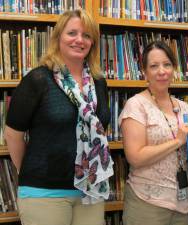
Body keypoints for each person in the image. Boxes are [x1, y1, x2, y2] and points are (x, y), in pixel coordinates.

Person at [4, 9, 113, 225]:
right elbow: (12, 134)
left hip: (90, 191)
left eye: (87, 35)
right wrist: (32, 172)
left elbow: (100, 128)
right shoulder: (38, 79)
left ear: (92, 42)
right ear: (58, 37)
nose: (79, 40)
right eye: (72, 33)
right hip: (43, 192)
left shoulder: (99, 83)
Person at [119, 41, 188, 225]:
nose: (162, 71)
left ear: (174, 69)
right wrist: (177, 142)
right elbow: (135, 157)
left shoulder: (184, 108)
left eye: (167, 64)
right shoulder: (136, 105)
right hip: (147, 202)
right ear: (144, 72)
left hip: (182, 202)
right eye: (154, 66)